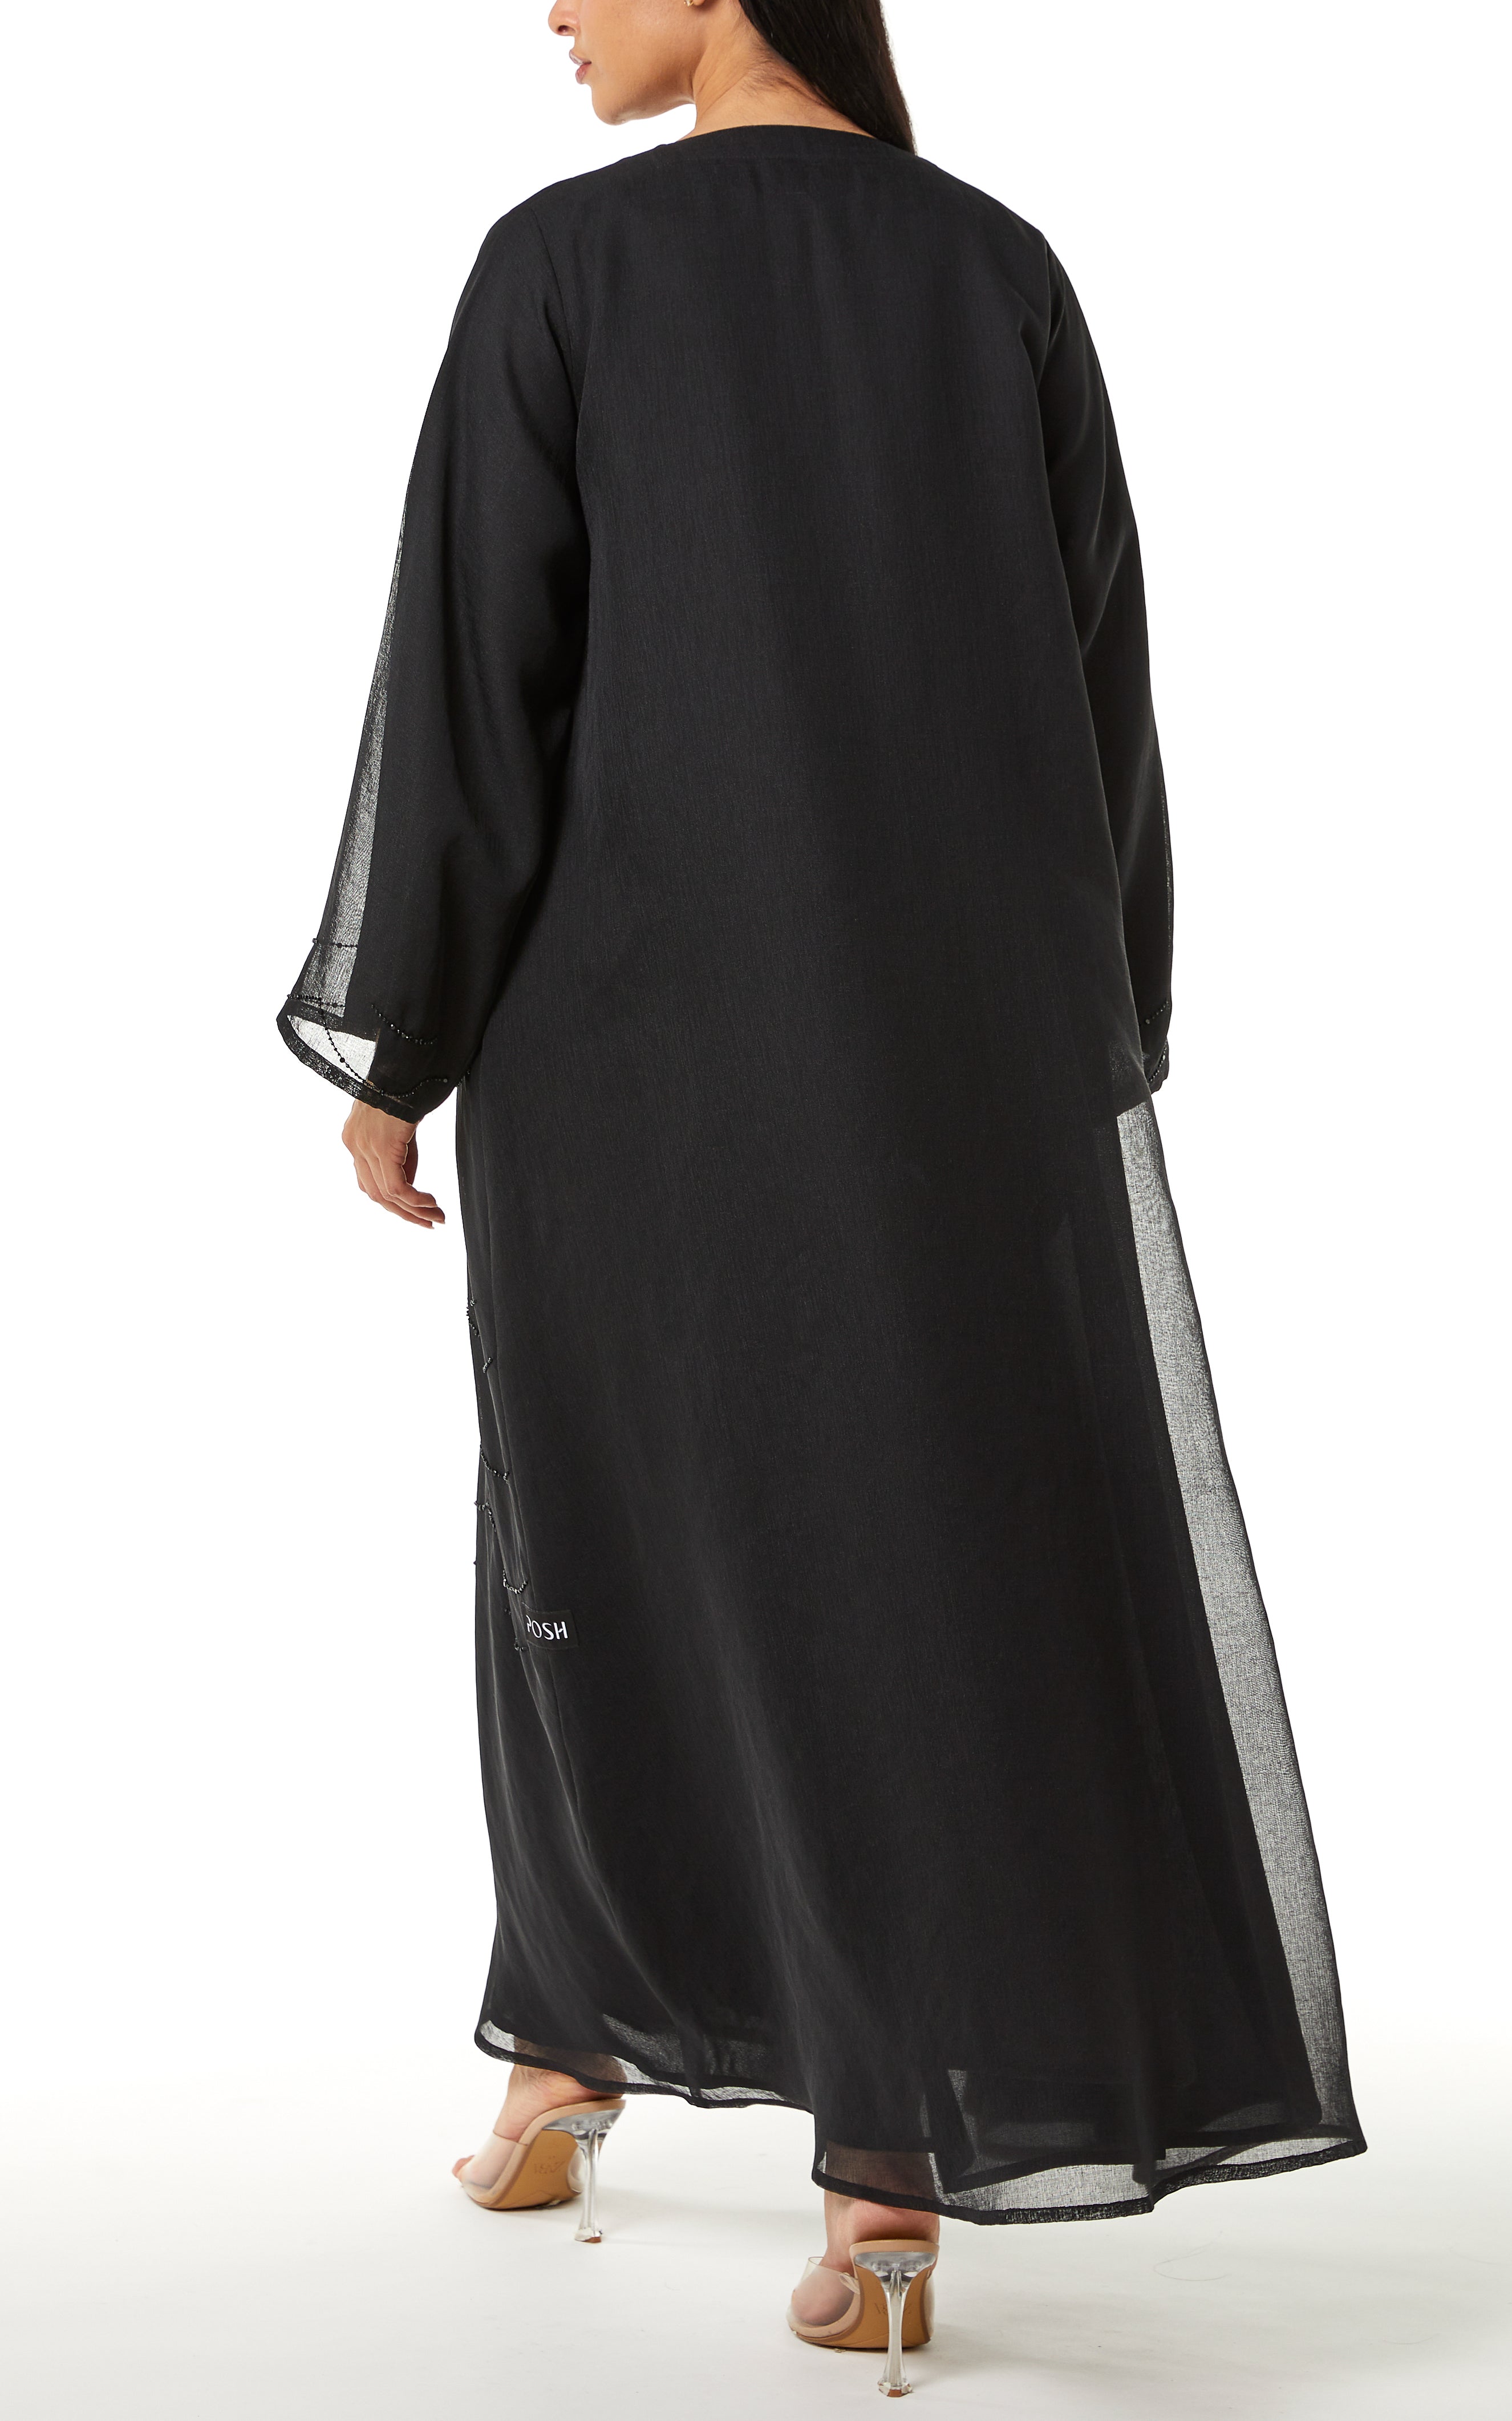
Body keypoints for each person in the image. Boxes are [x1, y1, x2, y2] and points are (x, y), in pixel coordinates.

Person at [279, 0, 1364, 2387]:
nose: (551, 8)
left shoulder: (564, 265)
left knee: (609, 1533)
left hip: (624, 1047)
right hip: (952, 1051)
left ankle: (632, 2074)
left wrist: (399, 1032)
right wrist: (1095, 1030)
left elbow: (474, 683)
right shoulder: (996, 268)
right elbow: (1101, 695)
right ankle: (776, 2128)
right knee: (911, 1558)